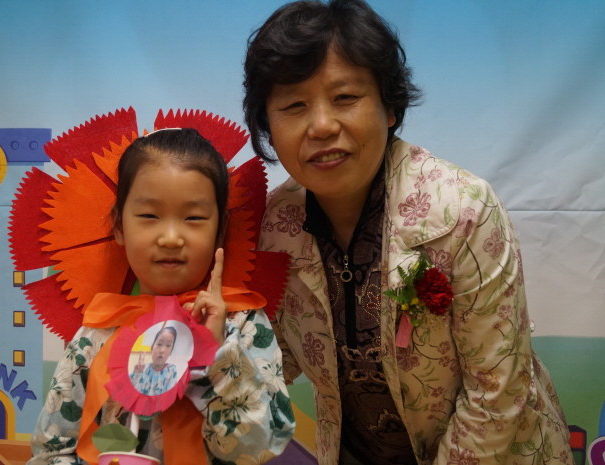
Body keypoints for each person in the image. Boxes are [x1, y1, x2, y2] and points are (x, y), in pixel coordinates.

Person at [246, 1, 574, 464]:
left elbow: (496, 393)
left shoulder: (463, 211)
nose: (321, 125)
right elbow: (274, 362)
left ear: (389, 106)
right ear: (268, 124)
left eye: (345, 97)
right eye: (294, 105)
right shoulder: (271, 226)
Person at [28, 128, 294, 464]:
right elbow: (51, 450)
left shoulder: (243, 323)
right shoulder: (98, 331)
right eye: (149, 216)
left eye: (193, 218)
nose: (170, 237)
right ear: (119, 227)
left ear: (220, 231)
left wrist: (219, 356)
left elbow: (258, 449)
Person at [130, 327, 179, 396]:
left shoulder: (171, 370)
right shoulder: (143, 369)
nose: (162, 350)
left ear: (171, 351)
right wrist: (137, 373)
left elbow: (170, 395)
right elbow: (132, 392)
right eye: (159, 344)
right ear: (152, 347)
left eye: (168, 345)